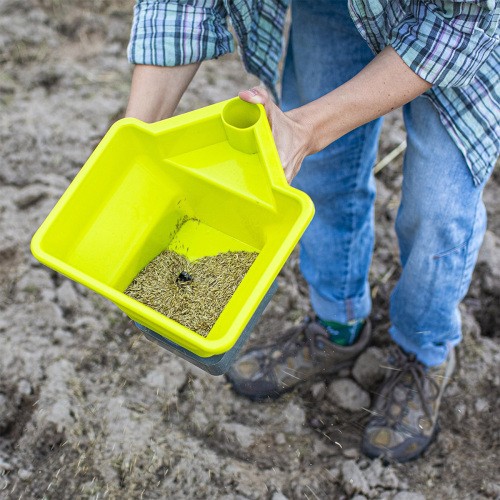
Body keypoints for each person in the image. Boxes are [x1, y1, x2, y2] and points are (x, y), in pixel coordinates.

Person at [125, 0, 499, 462]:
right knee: (320, 177)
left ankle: (424, 353)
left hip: (451, 20)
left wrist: (305, 127)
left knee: (437, 208)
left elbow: (457, 26)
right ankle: (339, 327)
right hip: (331, 9)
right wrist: (133, 140)